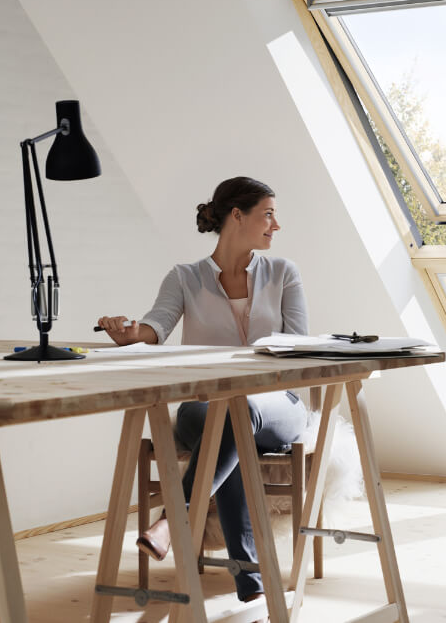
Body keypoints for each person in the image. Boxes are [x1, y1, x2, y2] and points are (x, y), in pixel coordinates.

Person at [96, 176, 308, 604]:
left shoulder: (284, 273)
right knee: (227, 422)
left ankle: (170, 523)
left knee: (237, 413)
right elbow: (155, 328)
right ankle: (250, 583)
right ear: (237, 216)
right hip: (206, 406)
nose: (276, 225)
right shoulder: (185, 277)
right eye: (268, 213)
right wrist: (129, 332)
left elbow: (300, 349)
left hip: (278, 406)